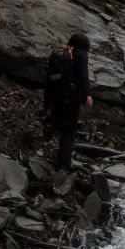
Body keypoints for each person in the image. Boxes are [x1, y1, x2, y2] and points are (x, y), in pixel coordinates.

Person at [43, 32, 93, 172]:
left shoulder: (58, 54)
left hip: (55, 95)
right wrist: (87, 95)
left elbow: (49, 80)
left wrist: (46, 103)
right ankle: (63, 166)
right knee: (68, 133)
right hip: (71, 97)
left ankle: (52, 124)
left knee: (60, 122)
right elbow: (83, 76)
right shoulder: (80, 55)